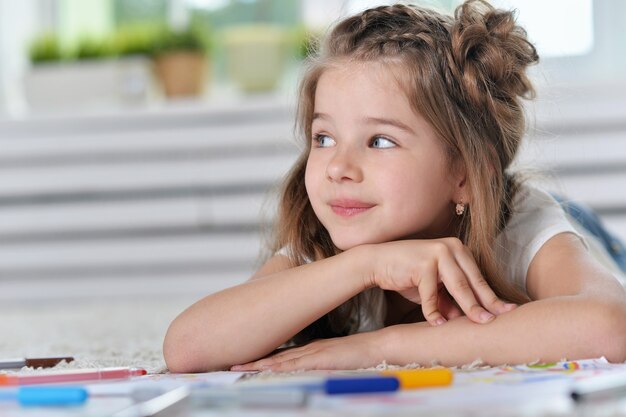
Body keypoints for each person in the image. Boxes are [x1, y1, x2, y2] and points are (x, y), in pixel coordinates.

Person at [163, 0, 626, 373]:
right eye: (323, 137)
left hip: (568, 227)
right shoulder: (334, 231)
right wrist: (366, 265)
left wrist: (379, 347)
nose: (338, 167)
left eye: (380, 140)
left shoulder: (521, 221)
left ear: (463, 174)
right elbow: (187, 347)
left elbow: (611, 326)